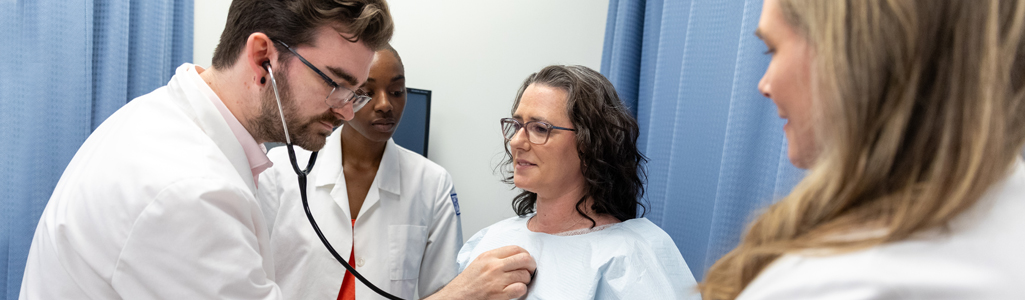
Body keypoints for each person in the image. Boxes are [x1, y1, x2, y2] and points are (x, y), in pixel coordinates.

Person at [19, 0, 534, 299]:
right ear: (263, 57)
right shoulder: (189, 192)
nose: (348, 109)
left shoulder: (166, 120)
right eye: (337, 83)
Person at [700, 0, 1025, 299]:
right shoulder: (1006, 195)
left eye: (771, 49)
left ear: (852, 56)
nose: (764, 85)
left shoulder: (842, 283)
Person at [456, 65, 702, 299]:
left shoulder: (630, 257)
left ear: (590, 143)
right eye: (517, 125)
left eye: (540, 128)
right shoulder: (489, 241)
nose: (517, 141)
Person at [258, 45, 462, 300]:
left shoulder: (433, 184)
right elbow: (251, 275)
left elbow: (448, 290)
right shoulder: (280, 169)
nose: (386, 105)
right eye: (367, 92)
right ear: (342, 96)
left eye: (397, 91)